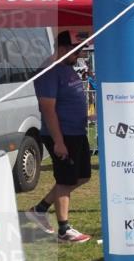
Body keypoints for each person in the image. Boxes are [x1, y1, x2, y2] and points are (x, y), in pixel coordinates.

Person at [26, 31, 92, 243]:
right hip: (63, 135)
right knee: (65, 180)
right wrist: (59, 142)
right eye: (77, 52)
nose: (80, 56)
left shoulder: (66, 68)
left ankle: (41, 208)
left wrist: (89, 115)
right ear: (63, 50)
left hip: (77, 131)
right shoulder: (49, 72)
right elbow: (48, 109)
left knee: (82, 176)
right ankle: (64, 230)